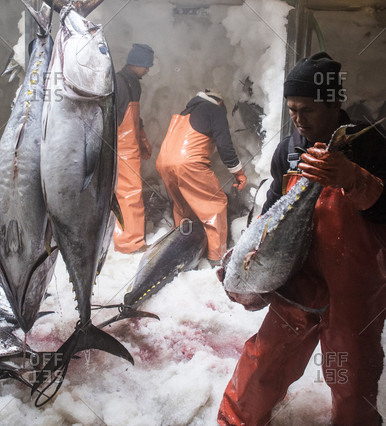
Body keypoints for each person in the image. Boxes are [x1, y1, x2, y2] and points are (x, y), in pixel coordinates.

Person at [217, 52, 386, 426]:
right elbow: (274, 209)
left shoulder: (370, 144)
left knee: (350, 379)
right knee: (264, 362)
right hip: (299, 281)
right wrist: (251, 256)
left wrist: (352, 178)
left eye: (307, 109)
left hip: (354, 293)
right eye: (292, 109)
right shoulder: (290, 148)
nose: (298, 119)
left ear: (335, 102)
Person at [156, 88, 247, 265]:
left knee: (183, 209)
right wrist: (238, 172)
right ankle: (216, 258)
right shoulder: (215, 110)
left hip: (164, 163)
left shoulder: (186, 111)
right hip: (189, 163)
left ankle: (182, 253)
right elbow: (224, 144)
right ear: (220, 102)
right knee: (215, 204)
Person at [113, 43, 154, 254]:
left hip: (129, 147)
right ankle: (129, 243)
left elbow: (134, 117)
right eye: (146, 65)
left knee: (129, 195)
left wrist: (142, 139)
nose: (148, 69)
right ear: (136, 62)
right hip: (121, 149)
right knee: (130, 196)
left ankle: (129, 238)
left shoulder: (133, 83)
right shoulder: (119, 83)